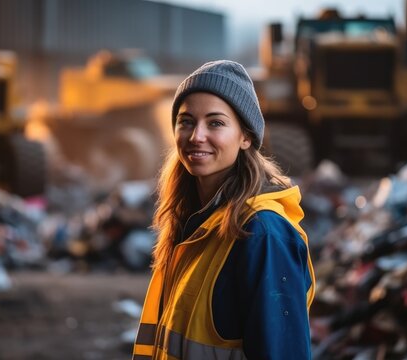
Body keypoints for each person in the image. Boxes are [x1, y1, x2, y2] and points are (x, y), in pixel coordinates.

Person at [133, 60, 315, 359]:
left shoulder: (262, 234)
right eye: (186, 121)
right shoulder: (191, 221)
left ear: (246, 137)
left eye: (215, 122)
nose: (196, 136)